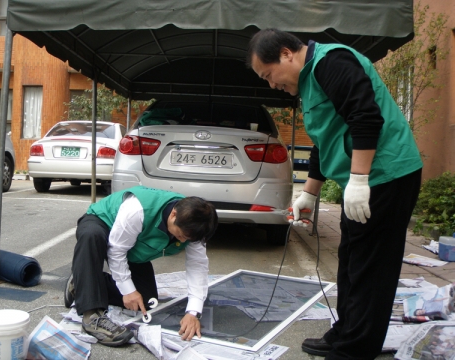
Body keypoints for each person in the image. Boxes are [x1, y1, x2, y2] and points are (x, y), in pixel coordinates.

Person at [246, 29, 423, 359]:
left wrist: (358, 179)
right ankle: (345, 331)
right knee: (351, 259)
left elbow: (365, 116)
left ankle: (357, 347)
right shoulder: (309, 82)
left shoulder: (333, 62)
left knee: (372, 265)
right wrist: (309, 195)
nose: (271, 85)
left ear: (286, 54)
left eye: (268, 76)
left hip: (388, 174)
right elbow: (324, 141)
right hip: (366, 179)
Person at [64, 186, 218, 347]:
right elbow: (116, 251)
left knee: (145, 302)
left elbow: (197, 267)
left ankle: (81, 280)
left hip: (132, 246)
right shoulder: (137, 210)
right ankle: (92, 316)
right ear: (173, 214)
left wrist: (193, 312)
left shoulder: (194, 229)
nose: (184, 241)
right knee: (92, 235)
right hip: (103, 223)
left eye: (189, 239)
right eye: (182, 235)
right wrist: (128, 291)